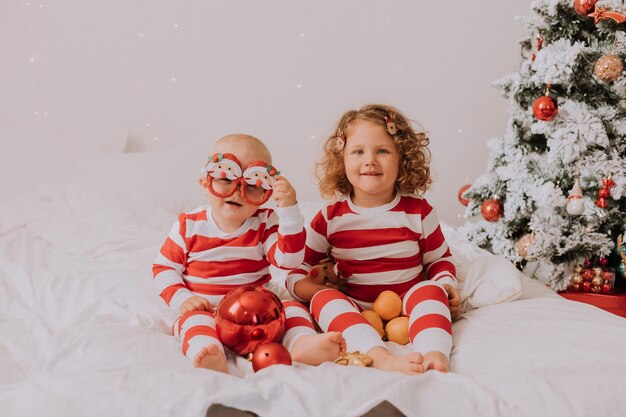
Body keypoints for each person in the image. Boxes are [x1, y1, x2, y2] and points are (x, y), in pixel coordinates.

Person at [286, 105, 461, 375]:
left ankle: (434, 354)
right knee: (324, 301)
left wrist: (446, 285)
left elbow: (439, 260)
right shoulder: (331, 217)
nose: (370, 160)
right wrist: (311, 289)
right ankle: (377, 356)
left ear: (402, 158)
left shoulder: (418, 211)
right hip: (355, 303)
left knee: (431, 291)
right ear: (342, 159)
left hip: (406, 301)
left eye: (382, 151)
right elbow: (297, 267)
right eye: (358, 151)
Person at [153, 134, 346, 374]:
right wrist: (182, 299)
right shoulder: (188, 225)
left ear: (266, 192)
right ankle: (209, 352)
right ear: (205, 184)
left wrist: (289, 211)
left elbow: (290, 260)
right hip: (208, 311)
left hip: (263, 314)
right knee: (191, 323)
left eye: (253, 185)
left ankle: (302, 344)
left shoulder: (265, 223)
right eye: (226, 179)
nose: (238, 190)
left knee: (293, 309)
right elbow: (164, 269)